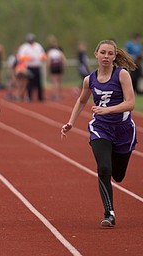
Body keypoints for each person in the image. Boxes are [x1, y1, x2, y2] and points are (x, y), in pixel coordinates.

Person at [61, 40, 137, 228]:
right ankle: (109, 212)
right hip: (100, 128)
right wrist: (71, 122)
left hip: (123, 130)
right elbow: (81, 101)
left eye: (110, 53)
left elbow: (130, 103)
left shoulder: (122, 75)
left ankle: (113, 157)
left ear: (114, 56)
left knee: (118, 176)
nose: (106, 56)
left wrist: (109, 110)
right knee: (104, 169)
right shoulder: (90, 79)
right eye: (103, 52)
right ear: (96, 54)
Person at [17, 33, 46, 102]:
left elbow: (43, 55)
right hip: (29, 67)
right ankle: (30, 97)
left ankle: (40, 97)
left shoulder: (38, 46)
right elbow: (20, 57)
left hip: (37, 66)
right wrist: (29, 58)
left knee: (39, 83)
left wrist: (40, 58)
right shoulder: (24, 47)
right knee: (29, 83)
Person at [46, 35, 66, 100]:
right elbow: (63, 59)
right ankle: (59, 94)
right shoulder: (59, 50)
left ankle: (56, 95)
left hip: (54, 66)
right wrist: (64, 66)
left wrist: (48, 69)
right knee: (59, 81)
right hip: (59, 66)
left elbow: (48, 60)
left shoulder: (50, 51)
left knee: (55, 81)